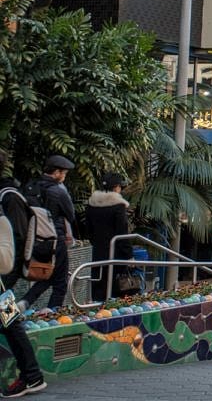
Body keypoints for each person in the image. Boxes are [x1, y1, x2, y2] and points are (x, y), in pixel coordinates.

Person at [0, 154, 47, 398]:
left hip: (2, 275)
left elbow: (16, 240)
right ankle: (32, 375)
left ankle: (32, 376)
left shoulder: (8, 196)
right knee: (9, 324)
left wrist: (7, 279)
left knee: (10, 323)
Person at [21, 155, 76, 310]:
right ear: (57, 172)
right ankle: (52, 313)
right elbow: (70, 215)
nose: (64, 176)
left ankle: (18, 309)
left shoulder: (30, 188)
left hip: (31, 241)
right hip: (54, 240)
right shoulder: (58, 191)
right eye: (64, 173)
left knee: (48, 275)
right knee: (60, 281)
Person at [86, 172, 132, 302]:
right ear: (117, 187)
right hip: (115, 254)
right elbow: (122, 232)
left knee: (98, 286)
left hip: (98, 253)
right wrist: (129, 255)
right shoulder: (118, 206)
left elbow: (88, 230)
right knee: (115, 289)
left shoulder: (92, 204)